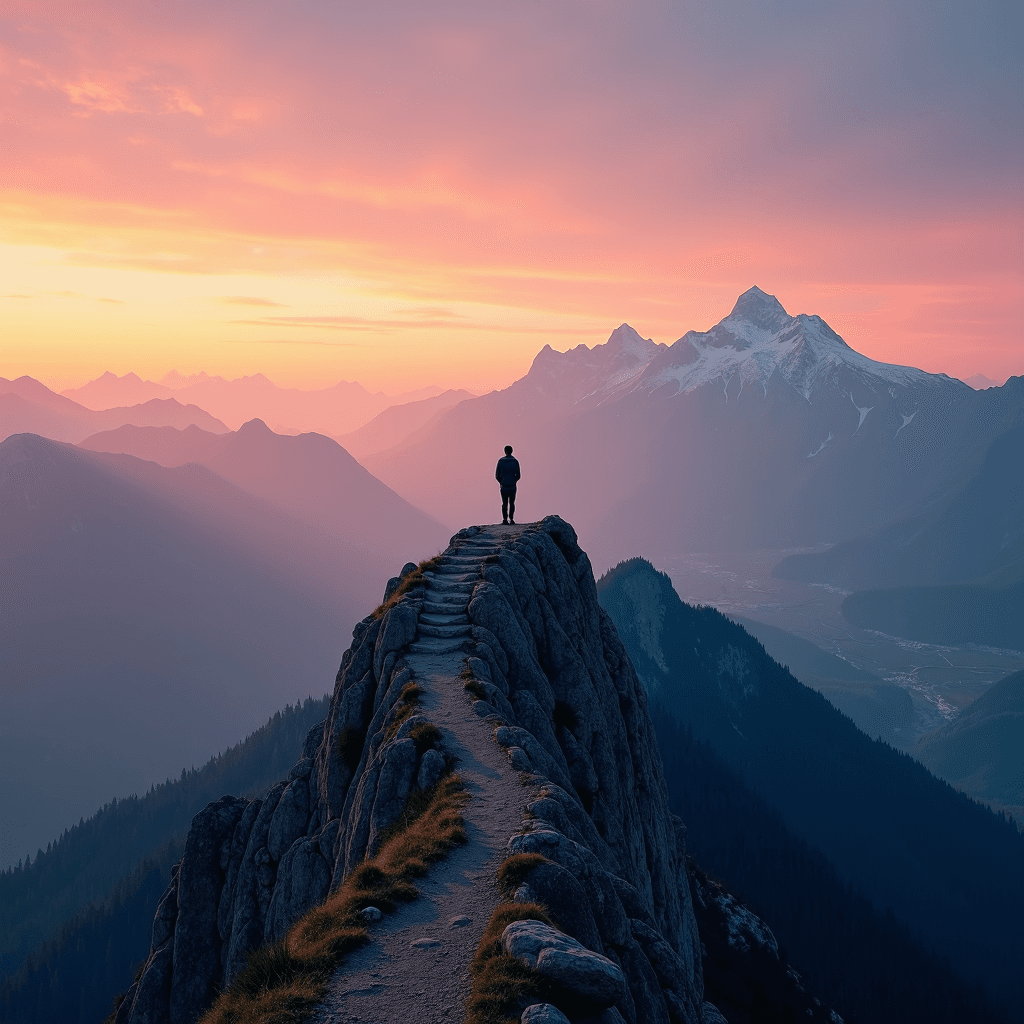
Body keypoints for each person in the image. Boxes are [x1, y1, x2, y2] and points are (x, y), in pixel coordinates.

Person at [495, 445, 521, 525]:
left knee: (504, 503)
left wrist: (501, 482)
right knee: (512, 503)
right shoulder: (515, 461)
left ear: (505, 451)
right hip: (512, 485)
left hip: (504, 485)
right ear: (512, 451)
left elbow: (497, 475)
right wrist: (514, 481)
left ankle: (505, 519)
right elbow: (518, 475)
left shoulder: (501, 461)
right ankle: (511, 519)